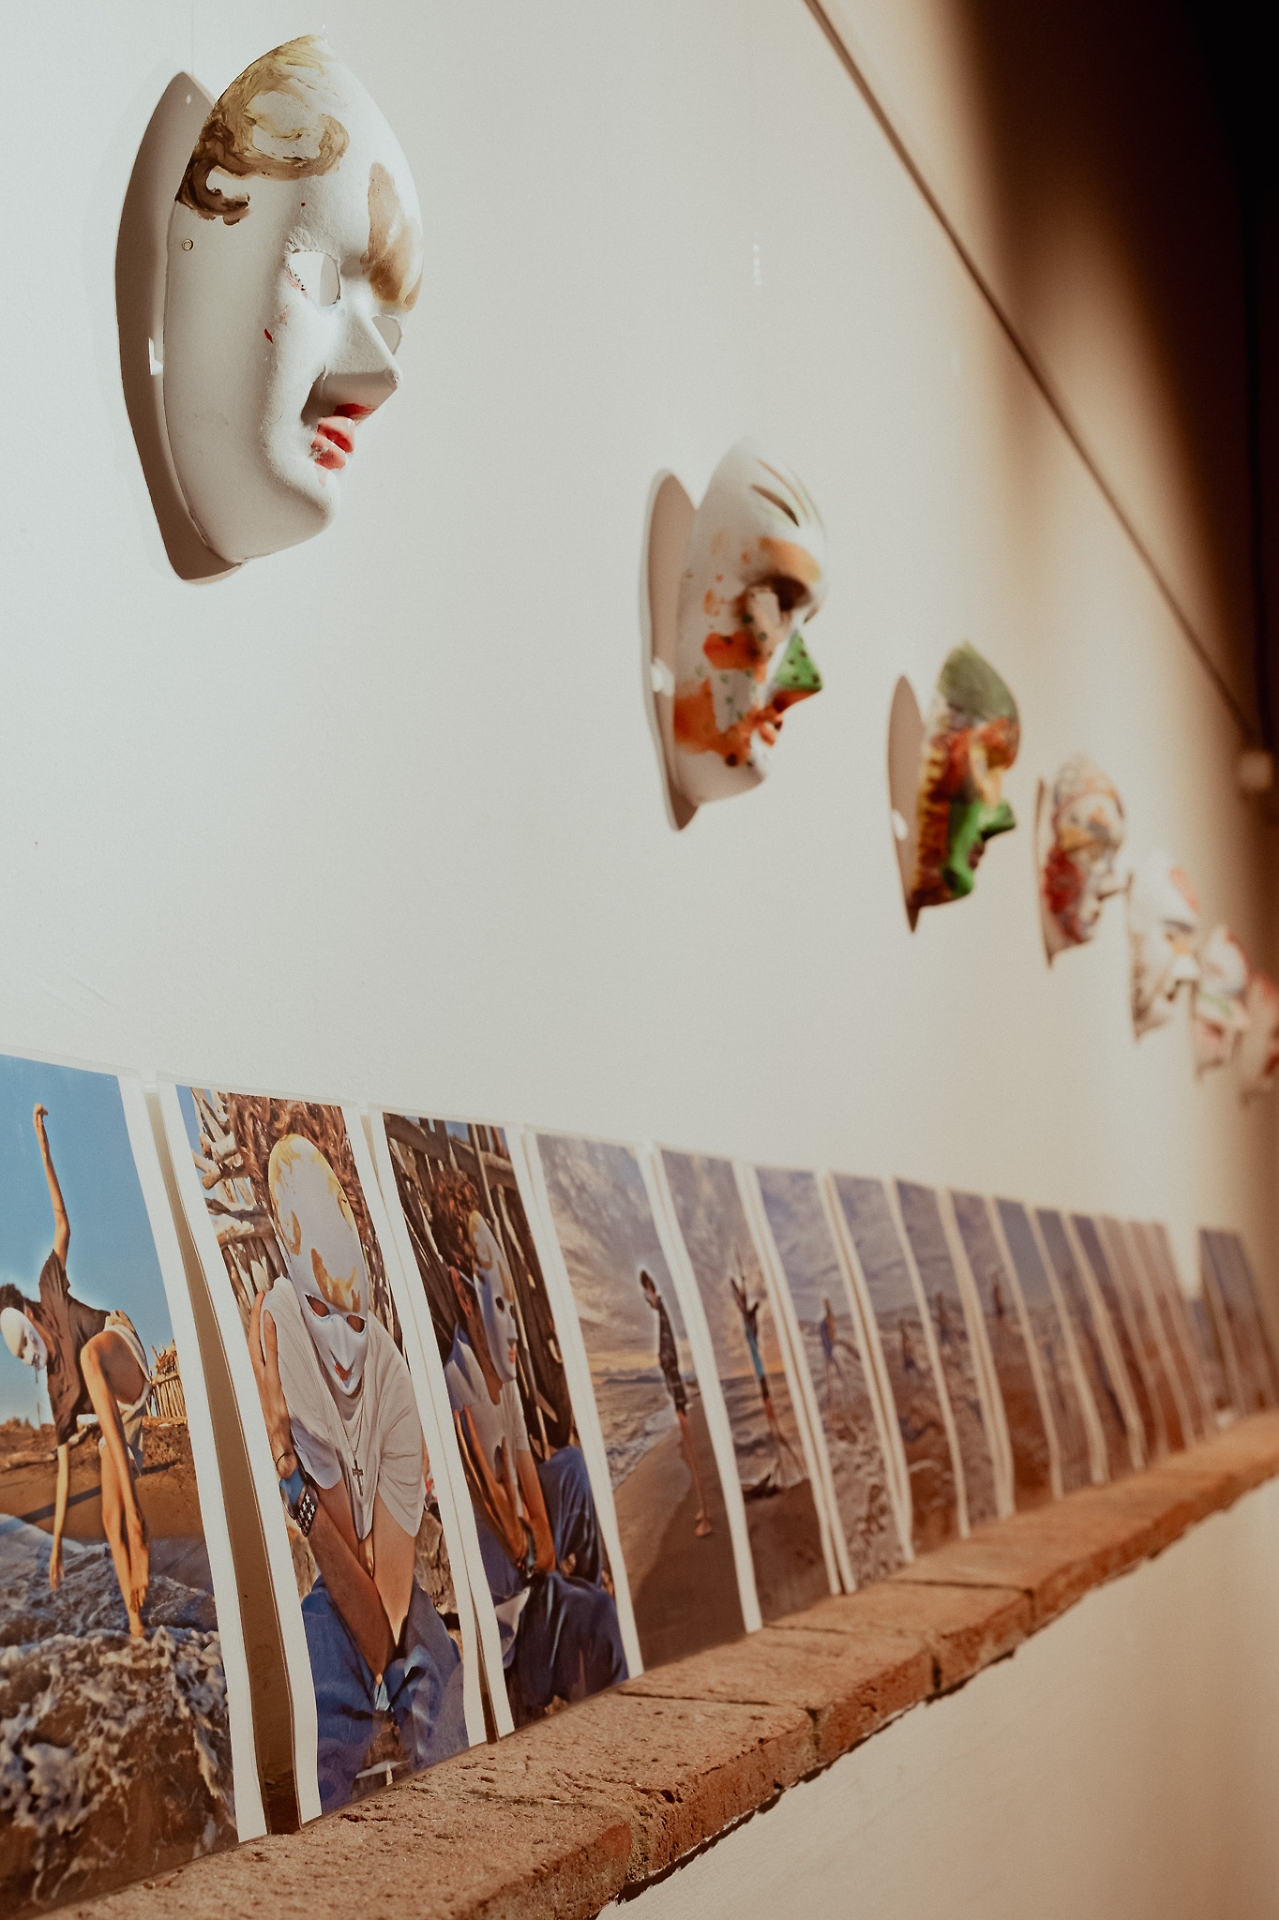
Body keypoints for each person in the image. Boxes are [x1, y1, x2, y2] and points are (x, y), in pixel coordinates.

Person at [249, 1133, 466, 1812]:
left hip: (382, 1596)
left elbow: (383, 1626)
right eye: (320, 1310)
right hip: (329, 1589)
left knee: (439, 1687)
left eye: (355, 1318)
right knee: (315, 1704)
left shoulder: (392, 1383)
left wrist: (291, 1474)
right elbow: (345, 1573)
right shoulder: (280, 1322)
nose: (344, 1350)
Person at [431, 1167, 625, 1720]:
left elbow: (531, 1499)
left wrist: (537, 1543)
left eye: (512, 1308)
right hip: (512, 1618)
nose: (514, 1329)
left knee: (574, 1468)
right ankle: (580, 1628)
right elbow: (514, 1543)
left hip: (533, 1568)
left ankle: (583, 1594)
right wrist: (533, 1552)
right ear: (464, 1295)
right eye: (499, 1307)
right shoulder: (458, 1396)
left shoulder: (502, 1378)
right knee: (603, 1623)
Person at [0, 1104, 152, 1635]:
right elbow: (63, 1469)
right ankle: (139, 1631)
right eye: (24, 1359)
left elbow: (62, 1220)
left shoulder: (49, 1288)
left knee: (88, 1358)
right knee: (106, 1520)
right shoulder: (55, 1387)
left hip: (123, 1359)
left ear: (31, 1316)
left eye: (29, 1343)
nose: (34, 1358)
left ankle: (137, 1515)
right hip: (118, 1419)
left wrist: (42, 1148)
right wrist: (56, 1545)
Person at [639, 1268, 711, 1538]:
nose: (647, 1299)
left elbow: (668, 1355)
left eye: (647, 1293)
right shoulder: (662, 1319)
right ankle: (704, 1510)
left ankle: (706, 1515)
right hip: (677, 1394)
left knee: (692, 1455)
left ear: (651, 1291)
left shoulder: (662, 1314)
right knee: (690, 1455)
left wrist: (662, 1360)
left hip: (679, 1396)